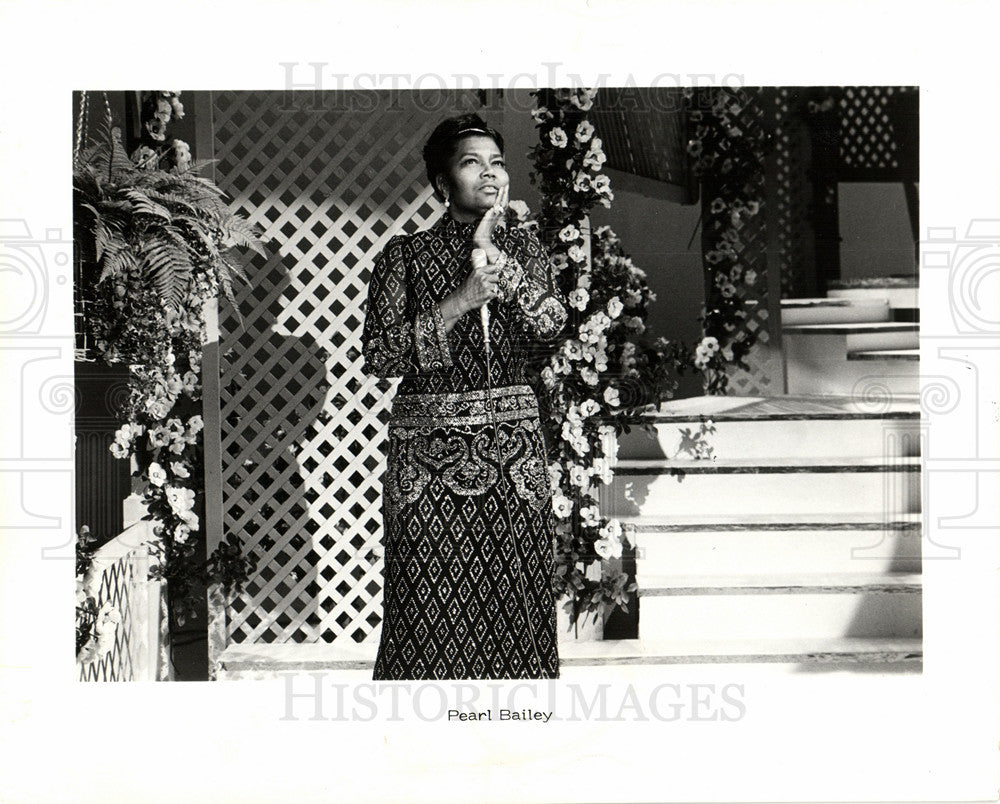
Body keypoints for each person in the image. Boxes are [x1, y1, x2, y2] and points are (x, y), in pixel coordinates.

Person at [361, 112, 567, 680]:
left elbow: (551, 324)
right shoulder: (403, 258)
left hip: (512, 459)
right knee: (426, 604)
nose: (491, 174)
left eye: (497, 162)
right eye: (472, 163)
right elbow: (380, 357)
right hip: (428, 461)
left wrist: (504, 266)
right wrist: (457, 303)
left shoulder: (524, 254)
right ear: (441, 183)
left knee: (516, 604)